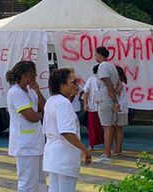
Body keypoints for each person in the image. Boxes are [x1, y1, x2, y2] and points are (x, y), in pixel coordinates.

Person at [43, 68, 92, 192]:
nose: (77, 85)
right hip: (65, 155)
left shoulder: (51, 101)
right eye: (73, 82)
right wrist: (84, 149)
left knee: (54, 189)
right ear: (63, 85)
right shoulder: (63, 103)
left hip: (54, 155)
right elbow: (66, 132)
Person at [6, 61, 47, 192]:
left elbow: (44, 107)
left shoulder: (29, 91)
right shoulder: (16, 92)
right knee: (27, 183)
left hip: (34, 143)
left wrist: (37, 91)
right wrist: (40, 114)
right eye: (32, 74)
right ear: (23, 75)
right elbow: (32, 117)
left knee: (40, 180)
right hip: (25, 145)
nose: (34, 77)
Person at [94, 46, 120, 163]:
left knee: (107, 127)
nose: (95, 57)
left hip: (105, 99)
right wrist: (115, 100)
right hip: (110, 99)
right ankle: (107, 153)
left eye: (96, 54)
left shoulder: (103, 66)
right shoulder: (112, 66)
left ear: (100, 55)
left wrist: (114, 100)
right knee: (109, 126)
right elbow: (117, 84)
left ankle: (107, 155)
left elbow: (109, 84)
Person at [82, 65, 103, 151]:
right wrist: (85, 105)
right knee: (92, 128)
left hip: (102, 106)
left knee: (104, 127)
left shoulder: (105, 79)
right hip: (93, 107)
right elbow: (86, 92)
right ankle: (91, 145)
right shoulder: (91, 79)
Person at [113, 65, 128, 156]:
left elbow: (115, 92)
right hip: (119, 106)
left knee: (118, 127)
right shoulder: (121, 82)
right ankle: (117, 147)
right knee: (116, 128)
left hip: (120, 107)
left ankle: (118, 148)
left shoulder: (120, 83)